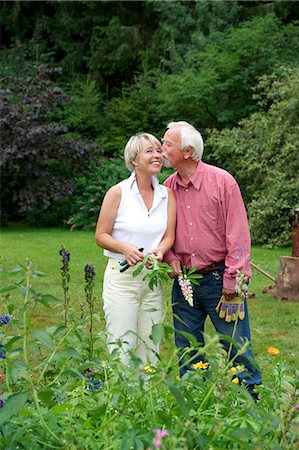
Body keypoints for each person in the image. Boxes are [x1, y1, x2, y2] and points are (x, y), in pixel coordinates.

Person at [161, 121, 262, 392]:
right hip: (185, 282)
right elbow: (163, 232)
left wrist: (233, 285)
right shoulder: (167, 187)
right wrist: (170, 257)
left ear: (188, 151)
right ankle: (196, 400)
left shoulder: (222, 182)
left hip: (221, 280)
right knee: (186, 346)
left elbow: (238, 235)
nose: (162, 148)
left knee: (235, 344)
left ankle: (248, 399)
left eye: (168, 144)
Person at [95, 132, 176, 366]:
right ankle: (123, 400)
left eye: (159, 150)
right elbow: (101, 235)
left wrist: (160, 251)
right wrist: (124, 248)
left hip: (152, 279)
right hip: (122, 280)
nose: (157, 155)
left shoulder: (166, 195)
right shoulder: (118, 192)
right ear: (134, 160)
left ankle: (145, 401)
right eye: (149, 151)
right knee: (122, 347)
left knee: (150, 347)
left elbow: (169, 235)